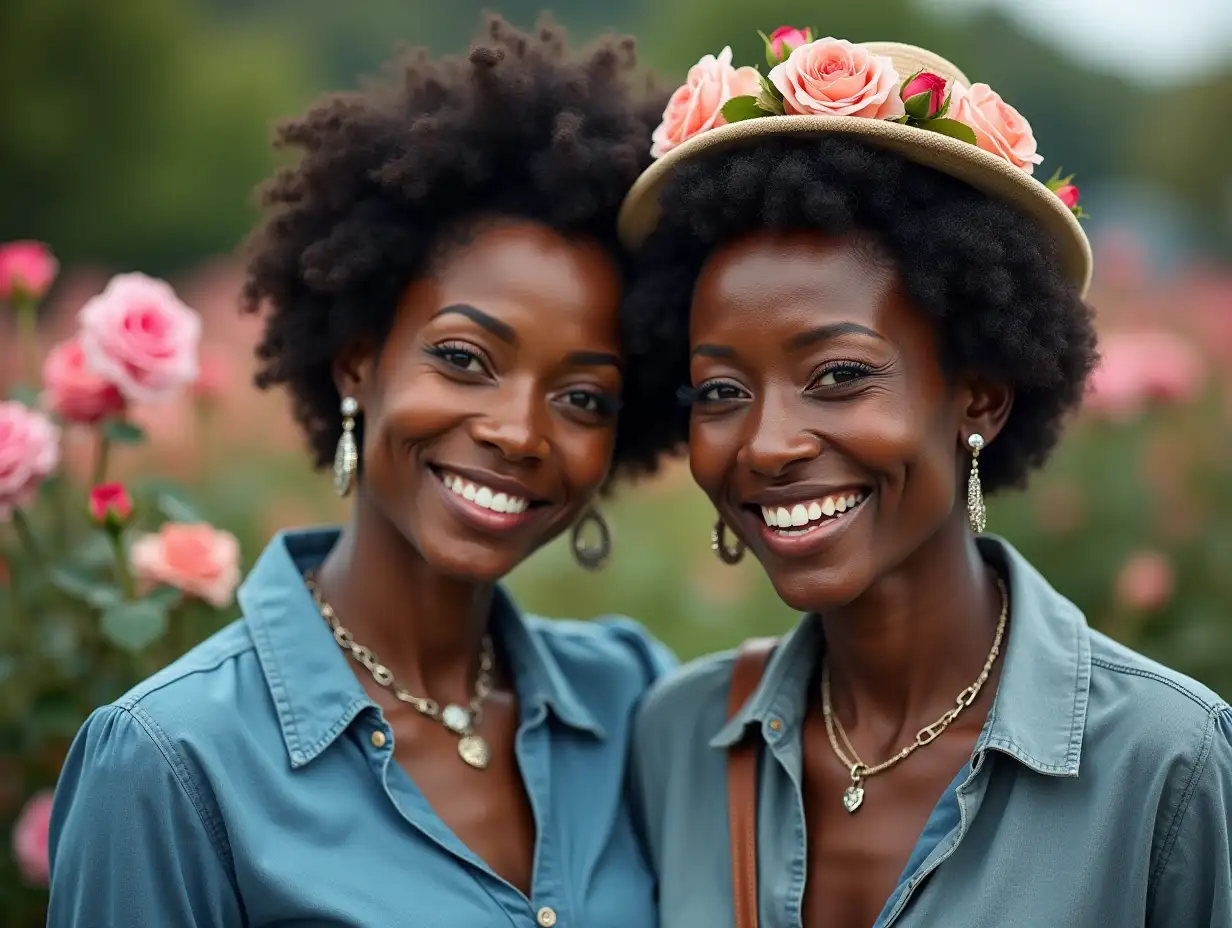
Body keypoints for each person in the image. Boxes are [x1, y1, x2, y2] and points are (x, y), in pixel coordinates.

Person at [47, 16, 681, 927]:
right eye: (464, 359)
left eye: (584, 399)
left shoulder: (633, 702)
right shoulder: (171, 759)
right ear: (356, 361)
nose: (519, 432)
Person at [620, 34, 1232, 928]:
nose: (767, 444)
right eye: (720, 390)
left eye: (838, 375)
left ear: (979, 396)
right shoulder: (676, 740)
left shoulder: (1166, 767)